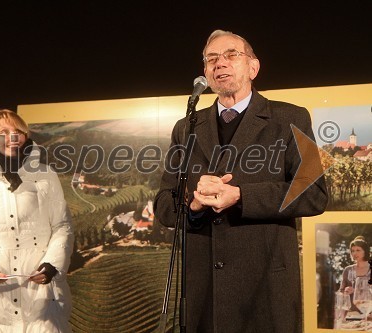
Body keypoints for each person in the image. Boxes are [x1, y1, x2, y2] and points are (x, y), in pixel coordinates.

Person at [153, 29, 328, 333]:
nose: (219, 64)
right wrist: (192, 203)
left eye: (231, 55)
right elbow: (164, 206)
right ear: (205, 73)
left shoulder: (291, 118)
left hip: (265, 291)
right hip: (203, 293)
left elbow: (314, 194)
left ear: (253, 67)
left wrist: (241, 196)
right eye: (211, 59)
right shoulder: (186, 127)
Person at [0, 109, 74, 332]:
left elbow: (62, 226)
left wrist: (52, 265)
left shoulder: (46, 176)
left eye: (18, 131)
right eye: (4, 132)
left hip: (42, 305)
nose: (13, 137)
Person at [340, 236, 371, 312]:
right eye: (353, 251)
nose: (355, 253)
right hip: (352, 313)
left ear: (365, 251)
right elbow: (341, 292)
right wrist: (345, 291)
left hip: (370, 311)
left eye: (358, 250)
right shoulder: (348, 270)